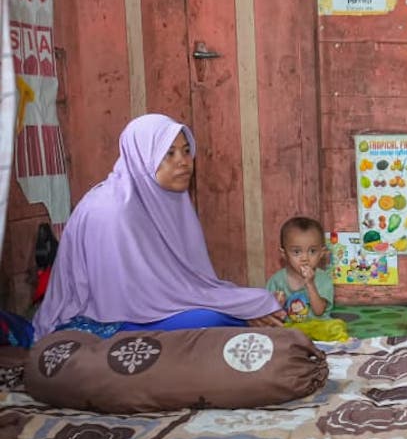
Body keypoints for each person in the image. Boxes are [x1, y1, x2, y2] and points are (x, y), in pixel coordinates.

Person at [32, 114, 284, 340]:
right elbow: (129, 299)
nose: (184, 162)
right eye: (169, 154)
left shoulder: (167, 200)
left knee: (251, 302)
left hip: (155, 304)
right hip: (108, 320)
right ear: (142, 156)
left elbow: (190, 282)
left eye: (186, 151)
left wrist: (241, 305)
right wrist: (238, 310)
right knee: (217, 318)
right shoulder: (111, 210)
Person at [266, 216, 350, 342]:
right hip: (290, 327)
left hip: (317, 324)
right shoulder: (276, 280)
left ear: (321, 253)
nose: (304, 258)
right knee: (269, 330)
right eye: (296, 252)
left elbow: (319, 311)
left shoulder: (323, 279)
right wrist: (278, 304)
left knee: (335, 328)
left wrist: (310, 284)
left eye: (312, 251)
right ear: (284, 254)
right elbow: (268, 311)